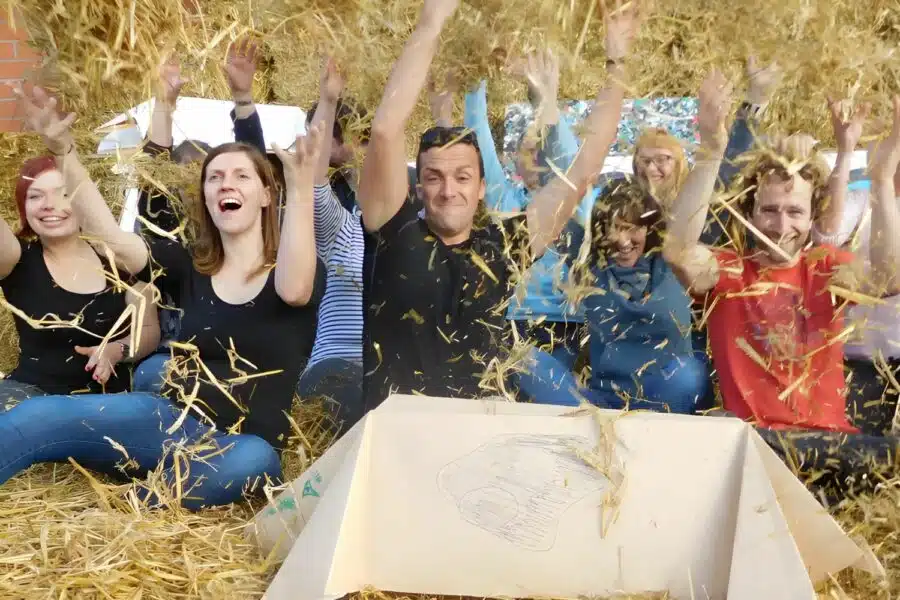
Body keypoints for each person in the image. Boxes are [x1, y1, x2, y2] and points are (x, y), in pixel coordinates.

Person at [0, 83, 326, 509]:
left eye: (241, 175)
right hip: (166, 422)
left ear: (266, 195)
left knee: (254, 459)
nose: (225, 183)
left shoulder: (293, 269)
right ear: (206, 196)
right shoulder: (189, 266)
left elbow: (296, 291)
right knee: (36, 416)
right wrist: (65, 152)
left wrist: (299, 189)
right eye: (214, 177)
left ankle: (133, 504)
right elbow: (112, 240)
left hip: (238, 445)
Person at [357, 0, 641, 411]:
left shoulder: (503, 247)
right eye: (434, 177)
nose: (448, 190)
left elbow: (583, 169)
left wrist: (618, 62)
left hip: (476, 431)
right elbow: (385, 130)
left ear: (481, 188)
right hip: (397, 430)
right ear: (418, 187)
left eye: (462, 177)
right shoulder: (394, 234)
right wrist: (431, 23)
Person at [663, 81, 900, 497]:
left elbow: (889, 277)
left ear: (812, 218)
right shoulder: (730, 270)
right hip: (759, 446)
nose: (781, 225)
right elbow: (679, 251)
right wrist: (712, 150)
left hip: (828, 448)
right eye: (769, 210)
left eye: (795, 212)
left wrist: (880, 180)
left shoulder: (823, 268)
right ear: (750, 212)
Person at [134, 42, 269, 387]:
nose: (199, 187)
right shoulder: (170, 236)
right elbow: (152, 185)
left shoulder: (239, 230)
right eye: (187, 177)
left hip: (242, 353)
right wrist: (164, 104)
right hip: (177, 354)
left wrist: (243, 97)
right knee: (152, 375)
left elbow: (255, 172)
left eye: (206, 177)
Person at [515, 180, 708, 412]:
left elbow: (691, 213)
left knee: (689, 374)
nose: (623, 240)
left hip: (664, 398)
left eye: (633, 228)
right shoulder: (589, 263)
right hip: (603, 405)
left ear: (649, 228)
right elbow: (554, 208)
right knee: (522, 359)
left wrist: (710, 160)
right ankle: (591, 421)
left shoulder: (671, 264)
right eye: (613, 228)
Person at [462, 50, 595, 371]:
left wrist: (545, 101)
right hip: (512, 320)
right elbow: (479, 144)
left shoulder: (574, 200)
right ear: (516, 161)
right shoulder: (505, 200)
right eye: (528, 147)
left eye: (542, 147)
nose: (536, 154)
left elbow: (567, 160)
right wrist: (475, 79)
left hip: (567, 323)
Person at [0, 154, 160, 407]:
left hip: (106, 404)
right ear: (23, 208)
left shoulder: (118, 259)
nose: (49, 205)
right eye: (35, 196)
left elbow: (148, 330)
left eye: (64, 194)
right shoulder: (16, 257)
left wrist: (118, 349)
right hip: (29, 397)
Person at [813, 98, 900, 436]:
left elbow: (890, 277)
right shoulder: (861, 199)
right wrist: (846, 152)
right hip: (859, 361)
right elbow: (826, 235)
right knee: (855, 453)